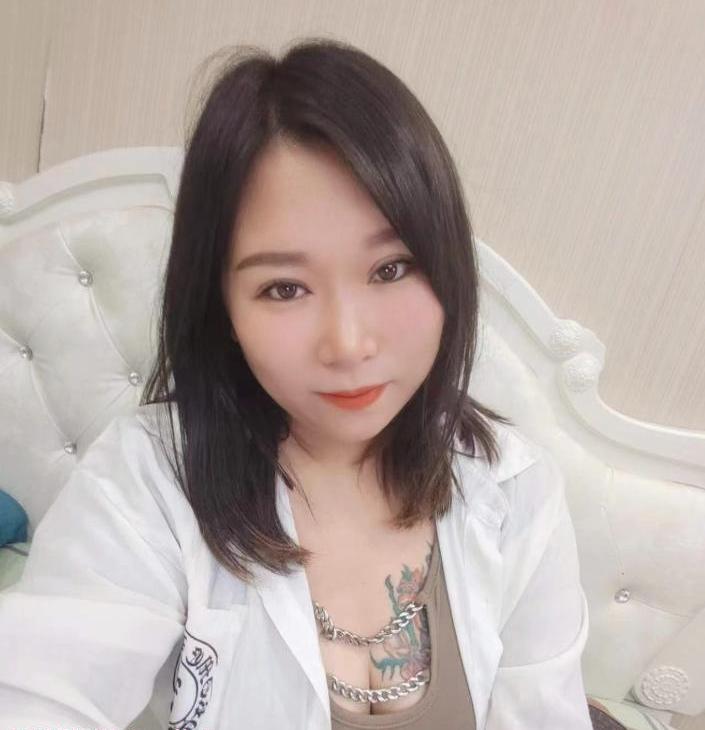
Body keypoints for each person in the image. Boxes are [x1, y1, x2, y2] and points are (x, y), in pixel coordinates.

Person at [0, 37, 592, 729]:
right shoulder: (149, 479)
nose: (348, 343)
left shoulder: (517, 492)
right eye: (284, 288)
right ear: (223, 308)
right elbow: (43, 695)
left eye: (391, 269)